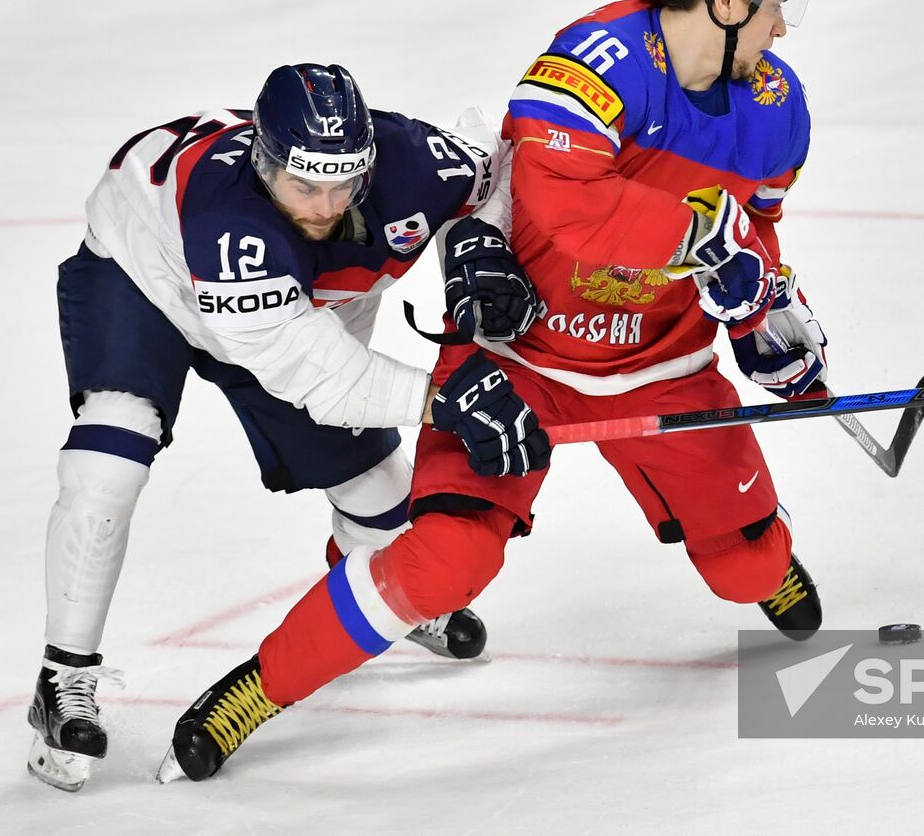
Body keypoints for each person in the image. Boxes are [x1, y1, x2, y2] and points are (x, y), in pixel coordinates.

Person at [159, 0, 827, 782]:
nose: (784, 26)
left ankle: (757, 544)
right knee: (442, 561)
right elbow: (563, 205)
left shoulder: (778, 106)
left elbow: (761, 234)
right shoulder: (598, 56)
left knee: (749, 572)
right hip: (520, 359)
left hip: (665, 363)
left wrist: (770, 315)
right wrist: (708, 240)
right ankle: (258, 685)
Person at [29, 63, 547, 792]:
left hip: (294, 319)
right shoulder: (227, 222)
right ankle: (61, 679)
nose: (328, 204)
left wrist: (473, 243)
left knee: (381, 497)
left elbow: (502, 163)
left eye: (345, 183)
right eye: (306, 186)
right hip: (145, 279)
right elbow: (324, 379)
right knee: (108, 460)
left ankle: (355, 562)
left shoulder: (412, 162)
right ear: (263, 163)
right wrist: (442, 398)